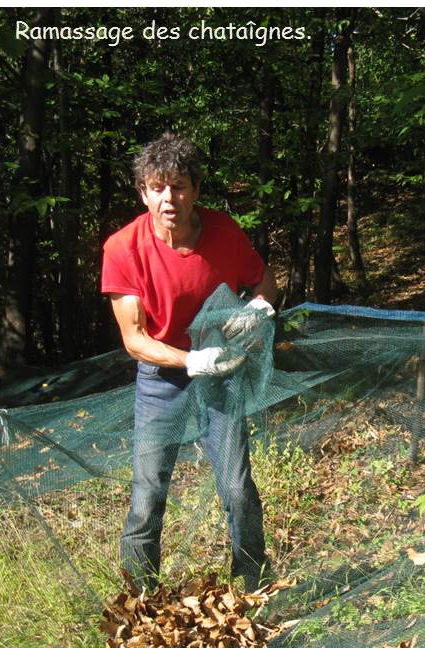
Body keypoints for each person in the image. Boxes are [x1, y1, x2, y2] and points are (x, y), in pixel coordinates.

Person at [101, 132, 277, 592]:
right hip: (161, 379)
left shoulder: (225, 232)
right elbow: (134, 339)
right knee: (148, 495)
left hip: (223, 373)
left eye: (178, 186)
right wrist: (192, 360)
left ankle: (253, 586)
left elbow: (264, 281)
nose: (168, 199)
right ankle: (140, 600)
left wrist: (258, 310)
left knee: (237, 489)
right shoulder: (123, 248)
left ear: (196, 189)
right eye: (157, 188)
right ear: (142, 193)